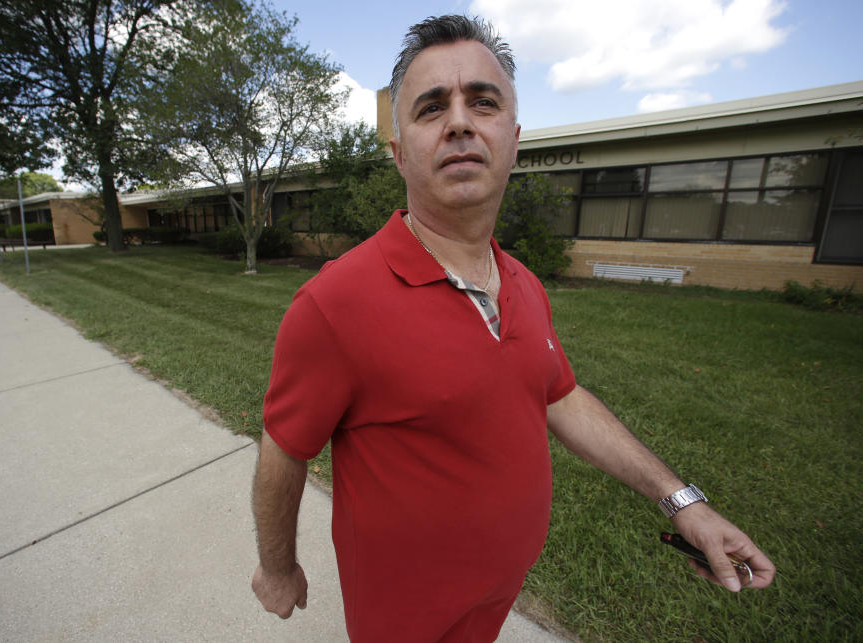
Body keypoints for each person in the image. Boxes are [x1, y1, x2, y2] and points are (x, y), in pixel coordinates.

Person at [251, 14, 775, 642]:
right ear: (398, 153)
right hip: (406, 612)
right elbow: (284, 448)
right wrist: (277, 568)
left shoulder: (522, 282)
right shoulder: (334, 303)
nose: (460, 122)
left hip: (502, 586)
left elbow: (561, 396)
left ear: (513, 137)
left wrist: (683, 503)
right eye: (430, 108)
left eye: (483, 101)